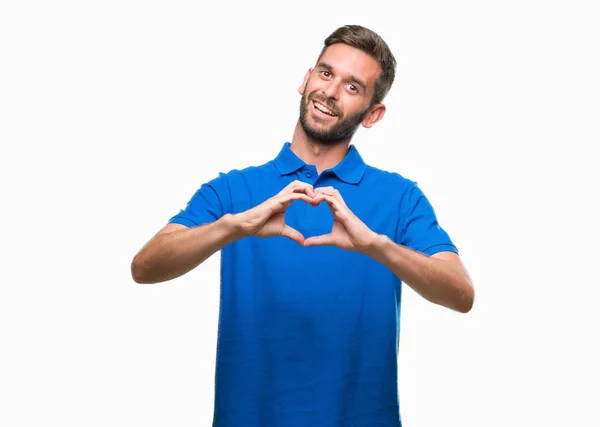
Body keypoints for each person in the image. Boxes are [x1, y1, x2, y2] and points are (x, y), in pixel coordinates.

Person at [131, 24, 474, 427]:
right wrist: (233, 227)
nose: (330, 91)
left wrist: (376, 246)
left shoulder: (401, 197)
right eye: (326, 73)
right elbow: (145, 267)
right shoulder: (234, 189)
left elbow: (461, 293)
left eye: (353, 87)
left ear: (373, 114)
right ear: (305, 79)